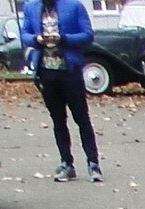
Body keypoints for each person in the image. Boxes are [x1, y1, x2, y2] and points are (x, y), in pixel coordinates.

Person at [19, 0, 100, 183]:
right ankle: (66, 163)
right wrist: (36, 40)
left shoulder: (74, 6)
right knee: (58, 120)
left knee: (82, 118)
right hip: (46, 72)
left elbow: (87, 35)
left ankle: (93, 163)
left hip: (70, 70)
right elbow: (24, 34)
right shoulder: (31, 7)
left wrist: (63, 39)